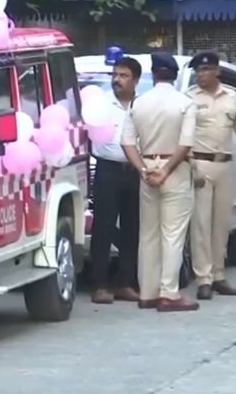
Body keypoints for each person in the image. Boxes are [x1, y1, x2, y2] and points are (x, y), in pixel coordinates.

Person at [121, 51, 198, 312]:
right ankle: (170, 293)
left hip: (147, 169)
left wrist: (144, 170)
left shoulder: (138, 103)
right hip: (173, 169)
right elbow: (186, 143)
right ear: (175, 76)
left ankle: (148, 293)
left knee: (149, 234)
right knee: (173, 234)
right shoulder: (185, 103)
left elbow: (127, 143)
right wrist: (165, 170)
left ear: (153, 75)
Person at [186, 51, 236, 300]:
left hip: (225, 164)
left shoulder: (233, 97)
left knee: (222, 224)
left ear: (217, 71)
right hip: (200, 165)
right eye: (198, 71)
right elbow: (183, 137)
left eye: (206, 70)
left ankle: (218, 274)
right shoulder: (190, 98)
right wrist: (191, 167)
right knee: (201, 224)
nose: (201, 75)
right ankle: (203, 278)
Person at [89, 56, 142, 304]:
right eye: (115, 75)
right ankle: (100, 284)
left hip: (135, 171)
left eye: (124, 76)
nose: (117, 80)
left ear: (136, 81)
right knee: (104, 227)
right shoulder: (100, 104)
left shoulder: (142, 106)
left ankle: (125, 282)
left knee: (133, 228)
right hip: (107, 169)